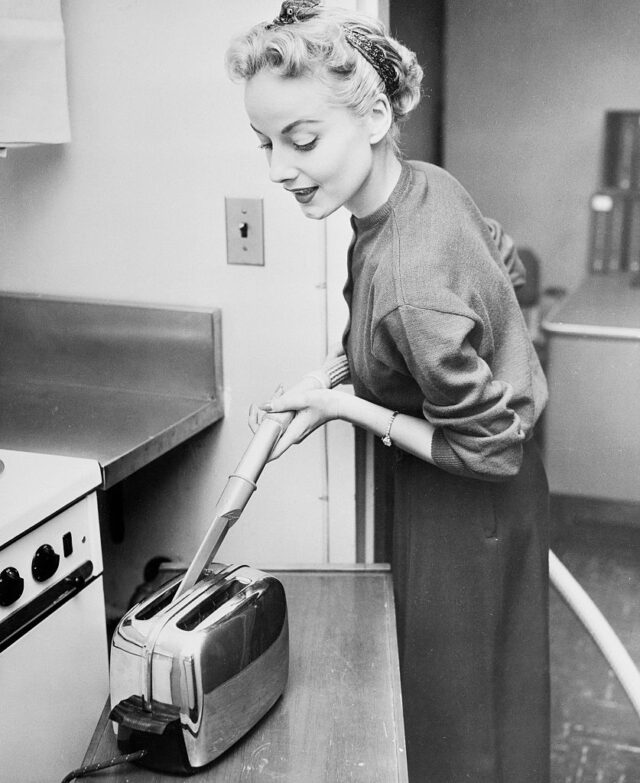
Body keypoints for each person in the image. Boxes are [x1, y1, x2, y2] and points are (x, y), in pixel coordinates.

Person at [226, 3, 550, 781]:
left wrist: (349, 405)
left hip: (466, 500)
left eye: (300, 140)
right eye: (265, 143)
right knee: (502, 694)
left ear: (374, 116)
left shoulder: (409, 277)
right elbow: (499, 269)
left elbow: (486, 447)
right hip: (500, 495)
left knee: (451, 720)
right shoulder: (425, 188)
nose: (277, 168)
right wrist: (332, 374)